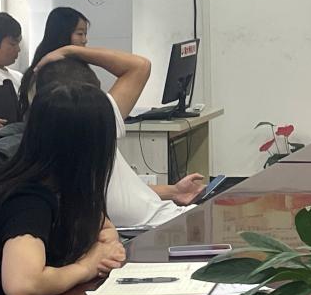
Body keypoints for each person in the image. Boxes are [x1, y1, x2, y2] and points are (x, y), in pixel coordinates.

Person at [0, 82, 126, 295]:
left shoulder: (65, 188)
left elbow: (103, 226)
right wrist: (86, 267)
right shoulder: (28, 200)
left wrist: (107, 245)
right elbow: (23, 285)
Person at [34, 46, 205, 227]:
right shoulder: (98, 121)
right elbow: (139, 66)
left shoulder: (86, 126)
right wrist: (70, 50)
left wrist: (173, 191)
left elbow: (117, 193)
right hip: (160, 230)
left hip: (169, 220)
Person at [17, 7, 90, 118]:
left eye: (85, 34)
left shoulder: (51, 62)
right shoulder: (56, 70)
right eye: (80, 34)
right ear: (62, 33)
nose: (85, 40)